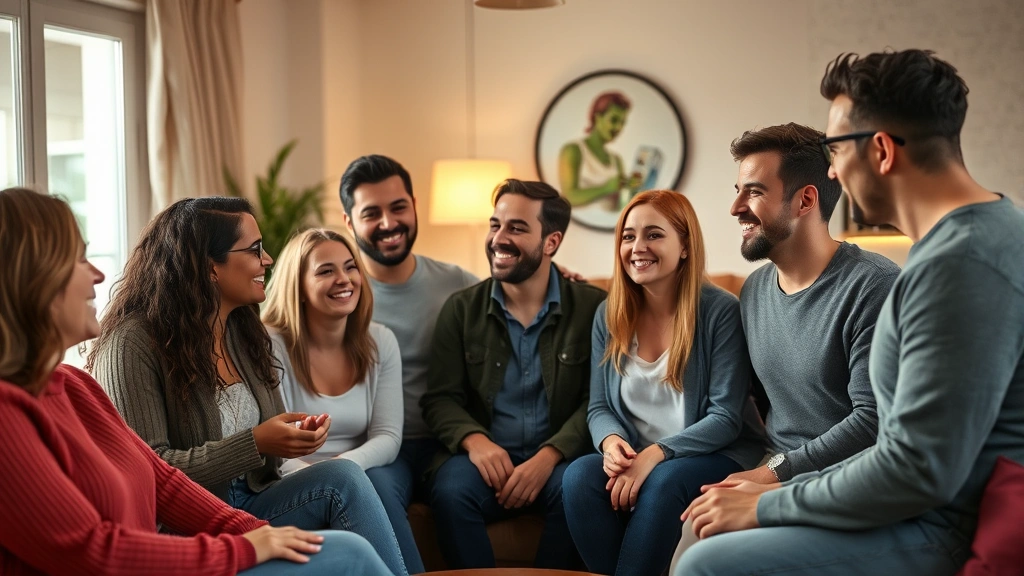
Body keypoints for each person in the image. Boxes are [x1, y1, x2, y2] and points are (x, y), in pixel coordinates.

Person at [674, 49, 1024, 575]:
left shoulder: (961, 263)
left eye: (836, 149)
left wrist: (770, 499)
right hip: (901, 503)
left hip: (935, 524)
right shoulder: (963, 241)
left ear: (880, 150)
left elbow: (917, 469)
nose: (833, 169)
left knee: (706, 565)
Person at [0, 187, 391, 575]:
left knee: (344, 502)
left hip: (231, 513)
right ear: (31, 278)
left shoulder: (74, 385)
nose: (99, 274)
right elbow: (96, 550)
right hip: (173, 547)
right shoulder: (121, 349)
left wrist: (258, 533)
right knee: (348, 555)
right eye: (78, 259)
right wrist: (244, 542)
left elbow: (163, 482)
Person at [560, 190, 765, 576]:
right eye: (628, 236)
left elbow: (724, 419)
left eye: (654, 234)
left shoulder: (720, 311)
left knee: (665, 480)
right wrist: (611, 443)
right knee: (578, 477)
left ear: (685, 246)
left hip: (714, 452)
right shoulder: (609, 314)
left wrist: (655, 455)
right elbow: (599, 406)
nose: (638, 247)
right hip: (639, 454)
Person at [421, 179, 607, 569]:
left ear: (551, 242)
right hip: (482, 460)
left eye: (516, 228)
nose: (498, 239)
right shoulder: (461, 309)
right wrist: (476, 443)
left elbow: (598, 399)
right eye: (495, 225)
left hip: (560, 460)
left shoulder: (594, 308)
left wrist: (549, 456)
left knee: (579, 489)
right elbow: (440, 399)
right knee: (451, 491)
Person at [725, 123, 898, 485]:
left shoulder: (874, 286)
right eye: (738, 191)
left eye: (754, 192)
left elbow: (872, 420)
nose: (735, 208)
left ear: (805, 200)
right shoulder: (754, 290)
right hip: (775, 464)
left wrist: (771, 475)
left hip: (848, 478)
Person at [339, 154, 480, 574]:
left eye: (398, 207)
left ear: (415, 206)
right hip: (378, 446)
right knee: (376, 489)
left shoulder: (457, 282)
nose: (389, 222)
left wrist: (558, 275)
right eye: (371, 213)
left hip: (447, 443)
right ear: (349, 222)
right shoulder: (339, 293)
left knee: (456, 493)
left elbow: (516, 298)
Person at [262, 228, 411, 572]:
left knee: (374, 486)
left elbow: (388, 436)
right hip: (292, 478)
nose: (344, 279)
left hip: (362, 468)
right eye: (326, 271)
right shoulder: (269, 345)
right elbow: (276, 453)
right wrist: (330, 479)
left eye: (350, 266)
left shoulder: (381, 341)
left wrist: (343, 470)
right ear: (298, 286)